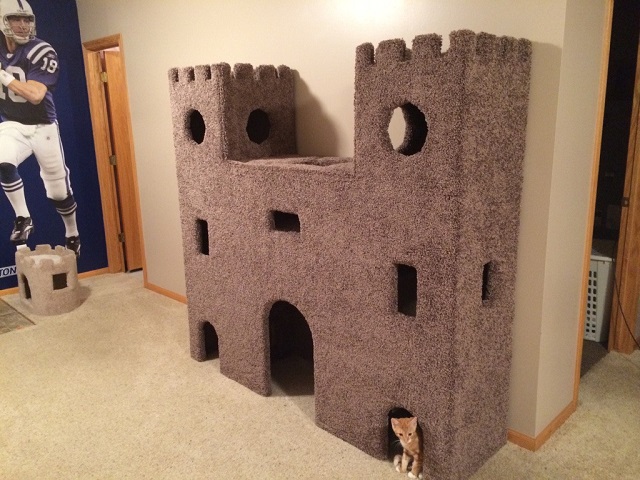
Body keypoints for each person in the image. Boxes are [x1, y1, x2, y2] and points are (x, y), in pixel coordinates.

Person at [0, 0, 80, 256]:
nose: (23, 25)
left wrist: (4, 77)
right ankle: (23, 218)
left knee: (58, 191)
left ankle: (72, 233)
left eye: (27, 20)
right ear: (3, 21)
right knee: (2, 160)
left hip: (43, 126)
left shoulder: (41, 50)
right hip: (13, 123)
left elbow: (35, 94)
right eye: (16, 19)